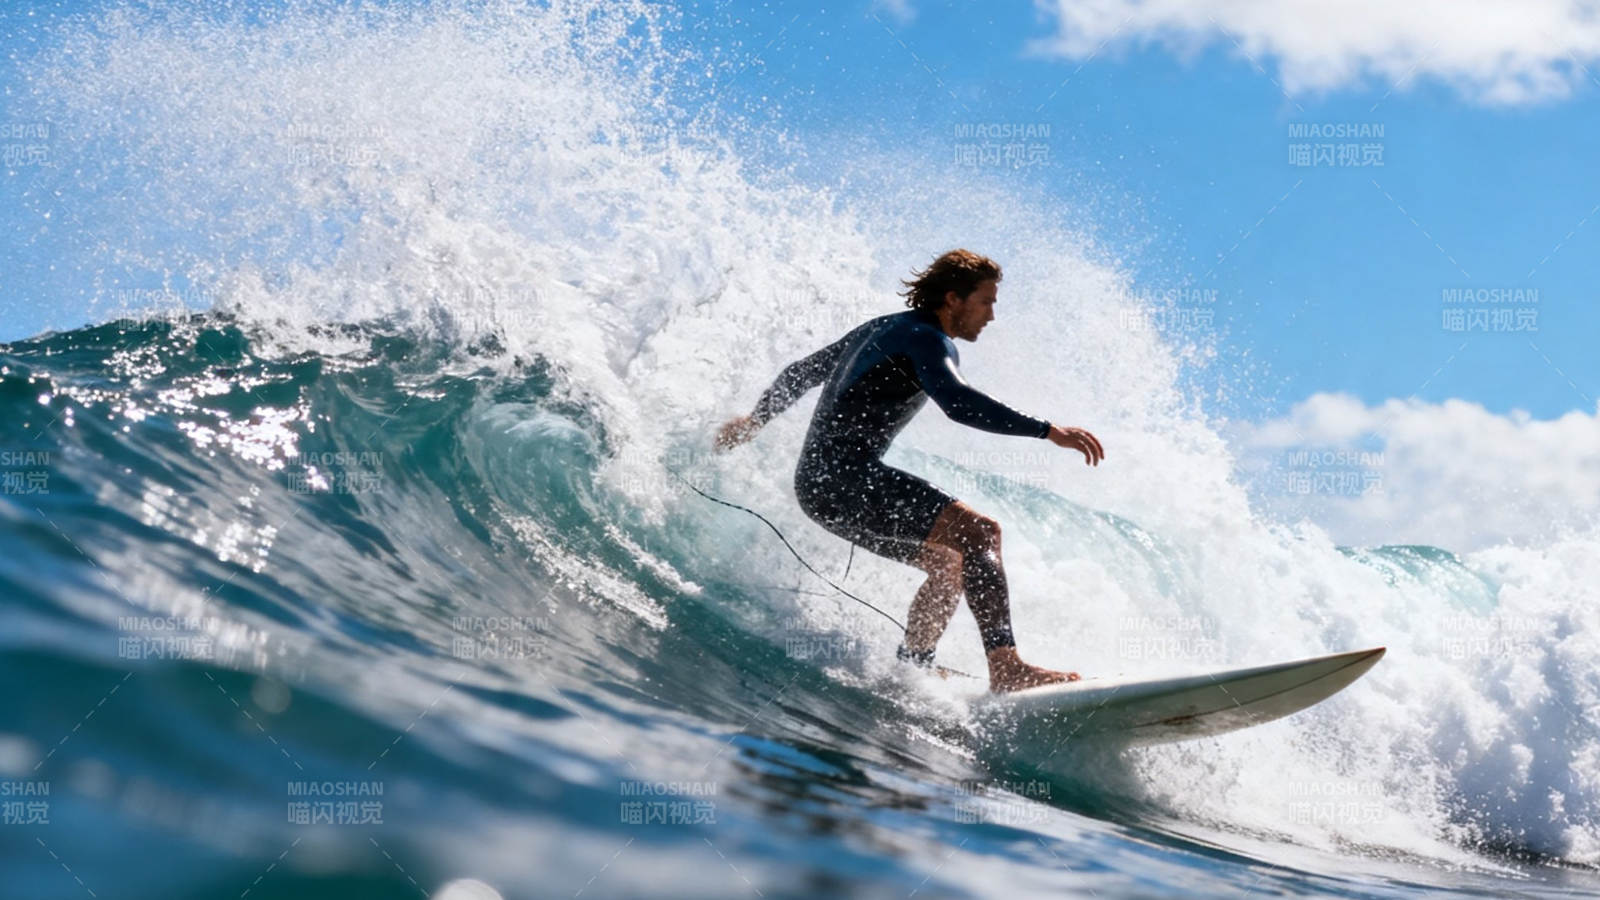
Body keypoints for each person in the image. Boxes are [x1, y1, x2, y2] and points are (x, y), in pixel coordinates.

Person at [713, 249, 1105, 692]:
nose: (992, 315)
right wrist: (1047, 431)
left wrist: (755, 420)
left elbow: (800, 372)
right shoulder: (927, 338)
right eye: (987, 301)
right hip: (846, 480)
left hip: (819, 488)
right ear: (953, 299)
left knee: (950, 562)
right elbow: (957, 402)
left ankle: (911, 669)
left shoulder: (882, 328)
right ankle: (1007, 667)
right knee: (981, 533)